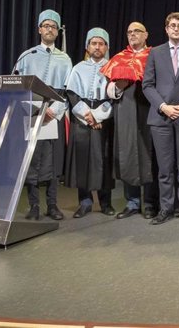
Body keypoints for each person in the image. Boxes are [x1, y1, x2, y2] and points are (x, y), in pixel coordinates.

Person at [142, 12, 179, 225]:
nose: (176, 29)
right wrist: (164, 106)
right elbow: (147, 85)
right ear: (166, 29)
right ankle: (165, 208)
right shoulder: (155, 53)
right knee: (164, 168)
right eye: (172, 25)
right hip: (160, 117)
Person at [14, 9, 72, 221]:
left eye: (53, 27)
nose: (49, 29)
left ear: (57, 32)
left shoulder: (65, 59)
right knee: (31, 163)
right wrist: (36, 109)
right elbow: (16, 86)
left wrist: (53, 111)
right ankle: (34, 206)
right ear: (39, 29)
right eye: (46, 26)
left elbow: (67, 91)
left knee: (52, 163)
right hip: (31, 114)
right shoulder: (27, 56)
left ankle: (53, 205)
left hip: (53, 116)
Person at [101, 21, 158, 219]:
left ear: (146, 34)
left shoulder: (154, 56)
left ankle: (150, 203)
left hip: (147, 110)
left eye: (137, 31)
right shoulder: (118, 58)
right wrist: (118, 86)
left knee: (148, 154)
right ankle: (132, 202)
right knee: (127, 154)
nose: (132, 35)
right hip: (124, 111)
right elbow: (106, 88)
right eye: (129, 32)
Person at [65, 28, 115, 218]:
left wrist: (98, 116)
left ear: (106, 47)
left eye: (101, 43)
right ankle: (84, 202)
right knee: (82, 160)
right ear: (87, 46)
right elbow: (72, 94)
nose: (97, 47)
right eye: (93, 43)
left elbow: (114, 98)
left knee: (103, 160)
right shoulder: (78, 68)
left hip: (103, 119)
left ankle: (105, 202)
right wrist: (87, 115)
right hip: (82, 120)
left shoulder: (112, 67)